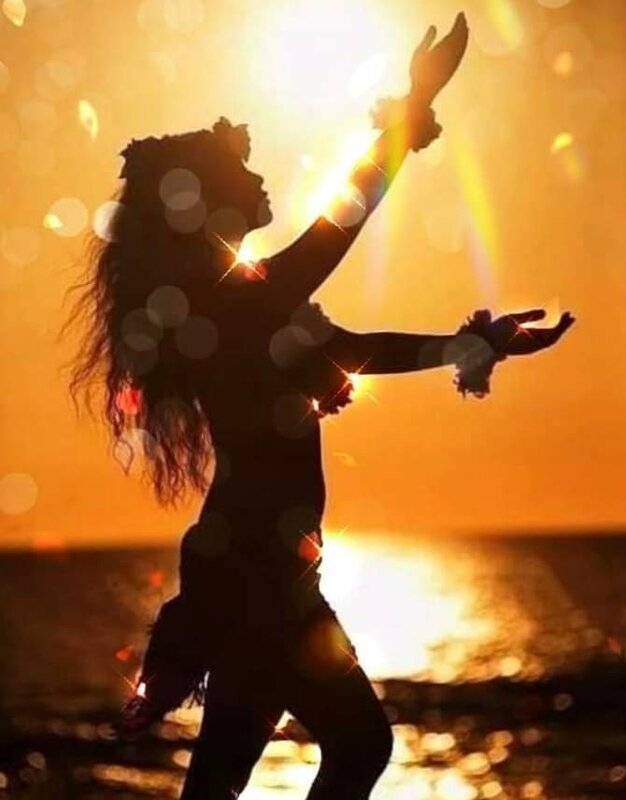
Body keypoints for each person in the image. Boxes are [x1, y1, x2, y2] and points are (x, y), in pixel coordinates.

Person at [60, 12, 575, 799]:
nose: (260, 179)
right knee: (359, 745)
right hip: (259, 573)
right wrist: (413, 108)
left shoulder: (246, 302)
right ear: (209, 205)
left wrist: (478, 344)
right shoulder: (234, 304)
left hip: (262, 567)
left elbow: (356, 351)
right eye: (242, 171)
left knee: (228, 770)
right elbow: (343, 223)